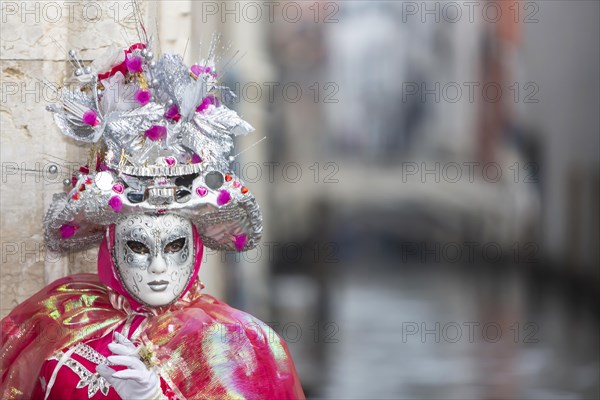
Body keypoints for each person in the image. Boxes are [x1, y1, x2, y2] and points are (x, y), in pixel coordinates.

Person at [1, 37, 305, 400]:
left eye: (175, 245)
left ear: (195, 246)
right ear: (111, 247)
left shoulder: (238, 344)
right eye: (138, 247)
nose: (158, 267)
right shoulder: (57, 327)